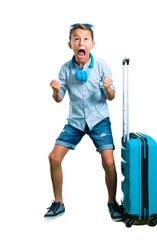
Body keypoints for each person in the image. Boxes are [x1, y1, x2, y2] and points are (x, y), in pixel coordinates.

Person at [44, 24, 123, 221]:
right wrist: (55, 90)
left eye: (86, 39)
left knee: (109, 162)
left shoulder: (102, 65)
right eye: (76, 38)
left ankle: (112, 203)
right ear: (70, 44)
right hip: (76, 122)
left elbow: (111, 97)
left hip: (99, 120)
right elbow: (59, 98)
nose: (81, 42)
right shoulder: (65, 69)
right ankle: (58, 203)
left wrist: (107, 88)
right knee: (54, 158)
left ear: (92, 44)